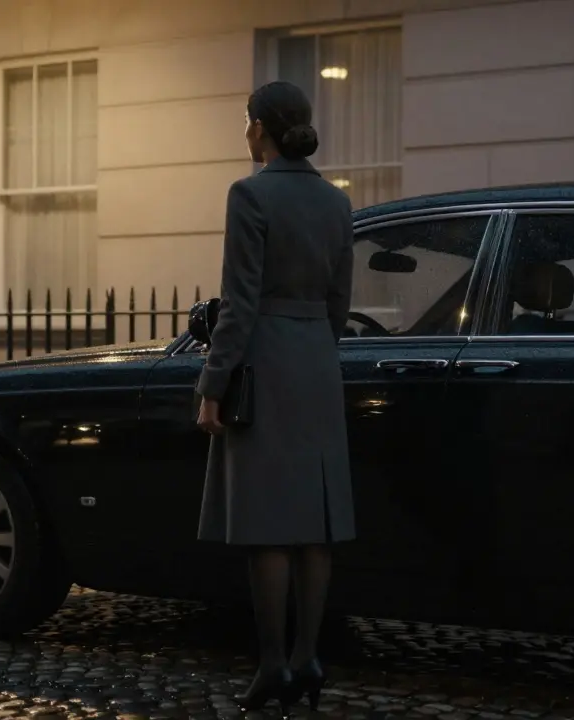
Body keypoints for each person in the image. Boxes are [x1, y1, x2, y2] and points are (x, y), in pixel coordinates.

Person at [195, 80, 356, 715]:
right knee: (315, 526)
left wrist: (212, 385)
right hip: (317, 361)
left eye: (245, 122)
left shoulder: (249, 194)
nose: (244, 132)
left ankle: (271, 666)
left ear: (260, 128)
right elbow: (340, 302)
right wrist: (314, 343)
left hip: (265, 362)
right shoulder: (334, 201)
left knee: (268, 528)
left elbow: (239, 304)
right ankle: (308, 657)